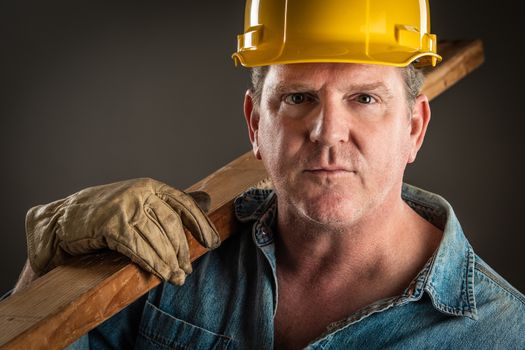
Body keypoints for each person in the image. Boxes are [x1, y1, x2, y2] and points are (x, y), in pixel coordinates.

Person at [14, 0, 525, 349]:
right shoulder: (165, 264)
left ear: (414, 128)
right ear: (256, 123)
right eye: (299, 98)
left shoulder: (502, 334)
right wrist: (53, 264)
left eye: (364, 99)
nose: (328, 132)